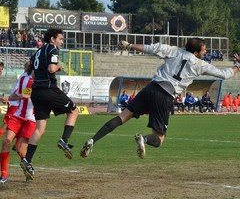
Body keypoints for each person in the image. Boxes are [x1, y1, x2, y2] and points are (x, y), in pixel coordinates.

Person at [80, 38, 240, 159]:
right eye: (204, 50)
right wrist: (237, 66)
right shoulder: (200, 64)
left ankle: (93, 140)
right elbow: (225, 74)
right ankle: (143, 139)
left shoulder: (174, 51)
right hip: (165, 96)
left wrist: (129, 46)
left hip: (150, 88)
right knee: (159, 138)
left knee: (122, 117)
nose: (205, 53)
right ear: (197, 52)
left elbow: (151, 48)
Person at [20, 28, 79, 181]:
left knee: (40, 129)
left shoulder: (38, 51)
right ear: (52, 39)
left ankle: (27, 159)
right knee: (73, 111)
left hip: (36, 92)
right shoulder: (52, 48)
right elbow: (52, 68)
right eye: (60, 38)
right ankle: (64, 140)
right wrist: (60, 66)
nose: (62, 41)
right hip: (47, 89)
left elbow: (31, 72)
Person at [0, 61, 35, 184]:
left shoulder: (39, 79)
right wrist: (9, 98)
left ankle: (29, 168)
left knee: (20, 149)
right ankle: (3, 176)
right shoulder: (23, 77)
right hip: (18, 115)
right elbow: (18, 94)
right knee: (6, 141)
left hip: (31, 118)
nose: (27, 66)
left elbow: (26, 95)